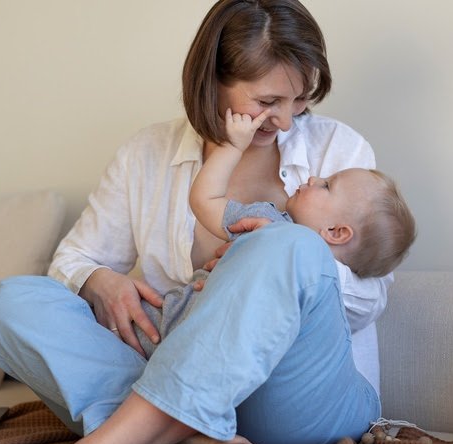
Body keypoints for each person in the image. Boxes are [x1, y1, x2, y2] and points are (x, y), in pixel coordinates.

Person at [0, 0, 400, 444]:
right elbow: (72, 261)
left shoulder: (338, 150)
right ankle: (190, 434)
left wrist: (271, 268)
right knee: (8, 303)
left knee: (290, 245)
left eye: (299, 99)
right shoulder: (145, 153)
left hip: (296, 400)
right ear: (212, 82)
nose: (285, 119)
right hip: (169, 362)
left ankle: (133, 434)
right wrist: (98, 281)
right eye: (267, 101)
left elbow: (370, 299)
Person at [134, 108, 415, 358]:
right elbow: (204, 202)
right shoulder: (266, 221)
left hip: (193, 340)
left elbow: (205, 199)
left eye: (327, 185)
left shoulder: (276, 234)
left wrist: (232, 147)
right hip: (172, 328)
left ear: (336, 232)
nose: (314, 177)